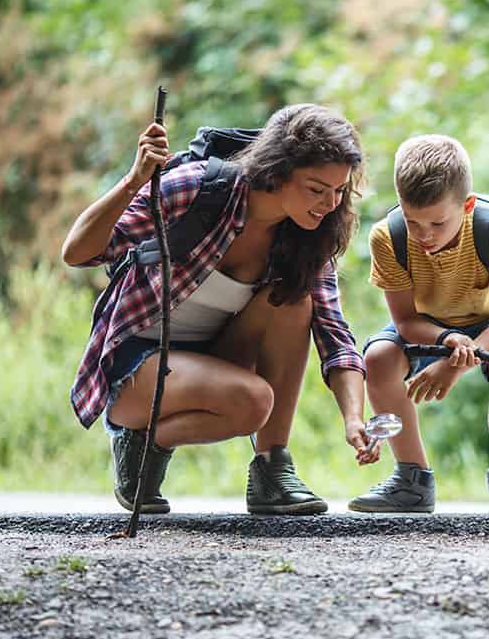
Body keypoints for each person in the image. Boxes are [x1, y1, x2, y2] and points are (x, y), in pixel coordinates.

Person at [62, 103, 377, 515]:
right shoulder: (198, 188)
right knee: (253, 401)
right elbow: (78, 253)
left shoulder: (309, 235)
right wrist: (134, 181)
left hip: (216, 359)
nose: (329, 204)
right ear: (277, 171)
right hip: (138, 365)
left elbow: (335, 336)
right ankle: (137, 439)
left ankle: (271, 469)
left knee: (296, 301)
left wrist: (354, 418)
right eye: (316, 189)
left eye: (339, 191)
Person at [348, 134, 489, 514]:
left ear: (467, 205)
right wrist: (448, 339)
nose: (424, 236)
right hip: (428, 325)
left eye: (437, 223)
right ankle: (412, 480)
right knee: (379, 358)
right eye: (413, 221)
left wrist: (455, 363)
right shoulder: (387, 238)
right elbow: (405, 321)